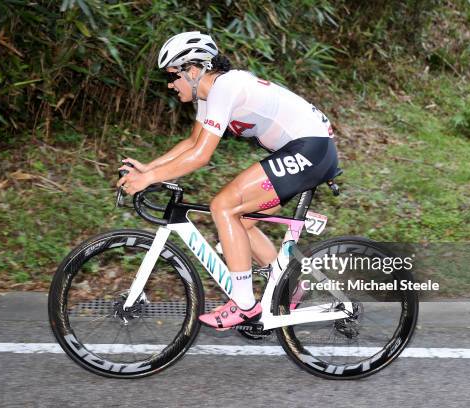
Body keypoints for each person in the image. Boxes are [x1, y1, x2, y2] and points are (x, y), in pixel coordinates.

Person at [117, 31, 339, 329]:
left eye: (173, 76)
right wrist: (148, 169)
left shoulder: (226, 87)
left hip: (311, 148)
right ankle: (289, 290)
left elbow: (201, 157)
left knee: (223, 206)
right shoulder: (209, 95)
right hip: (304, 148)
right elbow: (192, 143)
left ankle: (245, 306)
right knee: (239, 225)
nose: (170, 85)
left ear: (193, 70)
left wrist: (149, 179)